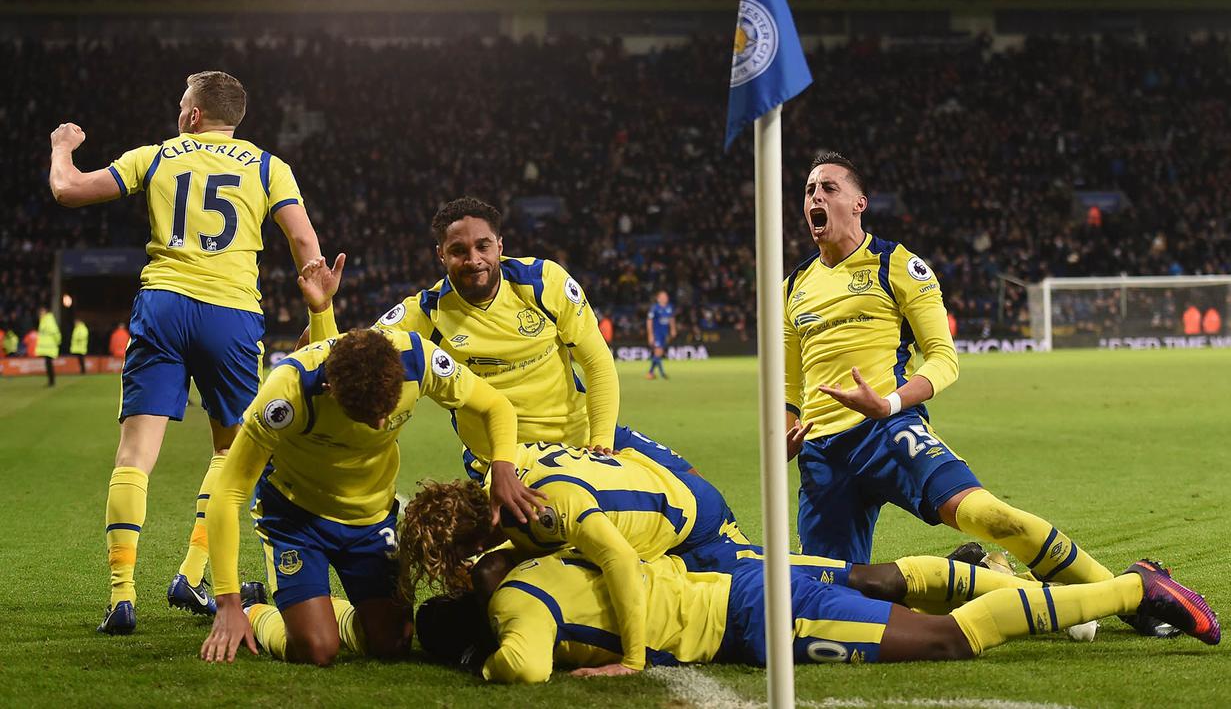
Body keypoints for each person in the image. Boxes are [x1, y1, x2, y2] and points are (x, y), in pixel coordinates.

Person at [782, 151, 1170, 637]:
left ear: (859, 203)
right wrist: (784, 432)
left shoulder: (897, 265)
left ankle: (1138, 597)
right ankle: (987, 579)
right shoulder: (793, 286)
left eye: (829, 188)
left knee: (989, 516)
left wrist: (891, 403)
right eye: (808, 190)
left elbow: (944, 358)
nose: (815, 196)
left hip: (888, 431)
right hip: (822, 456)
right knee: (834, 605)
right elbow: (789, 386)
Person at [48, 70, 325, 633]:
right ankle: (193, 572)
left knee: (134, 455)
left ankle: (122, 597)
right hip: (231, 313)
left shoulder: (154, 157)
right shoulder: (270, 166)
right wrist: (317, 299)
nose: (178, 111)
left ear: (194, 114)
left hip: (164, 304)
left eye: (181, 104)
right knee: (233, 455)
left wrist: (60, 147)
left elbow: (68, 190)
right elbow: (302, 241)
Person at [197, 315, 525, 666]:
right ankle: (253, 610)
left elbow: (495, 405)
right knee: (316, 649)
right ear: (330, 389)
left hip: (371, 517)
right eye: (365, 415)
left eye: (387, 410)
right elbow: (229, 491)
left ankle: (321, 611)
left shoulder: (418, 359)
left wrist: (503, 467)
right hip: (296, 517)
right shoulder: (288, 391)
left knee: (393, 642)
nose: (381, 424)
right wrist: (228, 601)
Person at [416, 549, 1219, 683]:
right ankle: (973, 572)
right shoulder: (539, 556)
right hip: (738, 581)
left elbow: (520, 662)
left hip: (755, 622)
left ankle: (1129, 589)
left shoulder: (518, 604)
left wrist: (486, 665)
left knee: (943, 641)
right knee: (873, 578)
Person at [356, 197, 695, 479]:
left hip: (583, 439)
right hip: (504, 464)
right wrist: (321, 310)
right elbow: (356, 357)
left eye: (483, 246)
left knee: (693, 485)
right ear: (441, 255)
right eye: (458, 250)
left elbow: (597, 362)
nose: (473, 260)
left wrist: (602, 440)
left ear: (500, 246)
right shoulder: (427, 313)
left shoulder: (542, 283)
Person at [398, 441, 747, 677]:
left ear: (475, 540)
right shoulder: (501, 476)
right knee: (491, 571)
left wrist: (631, 661)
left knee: (730, 592)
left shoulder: (547, 508)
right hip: (642, 479)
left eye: (456, 554)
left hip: (690, 517)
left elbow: (621, 561)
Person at [645, 290, 675, 380]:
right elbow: (649, 321)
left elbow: (671, 319)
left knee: (659, 354)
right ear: (658, 299)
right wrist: (650, 335)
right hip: (656, 333)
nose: (664, 298)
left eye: (665, 296)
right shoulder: (654, 308)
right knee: (658, 352)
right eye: (662, 297)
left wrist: (673, 329)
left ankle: (650, 373)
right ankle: (662, 374)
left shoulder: (669, 307)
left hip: (664, 334)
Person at [36, 306, 61, 386]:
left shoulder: (48, 321)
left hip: (49, 347)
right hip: (46, 348)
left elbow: (55, 332)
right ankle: (51, 381)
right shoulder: (44, 321)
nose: (40, 314)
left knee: (49, 364)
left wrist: (58, 341)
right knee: (48, 364)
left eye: (42, 312)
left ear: (45, 312)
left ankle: (51, 381)